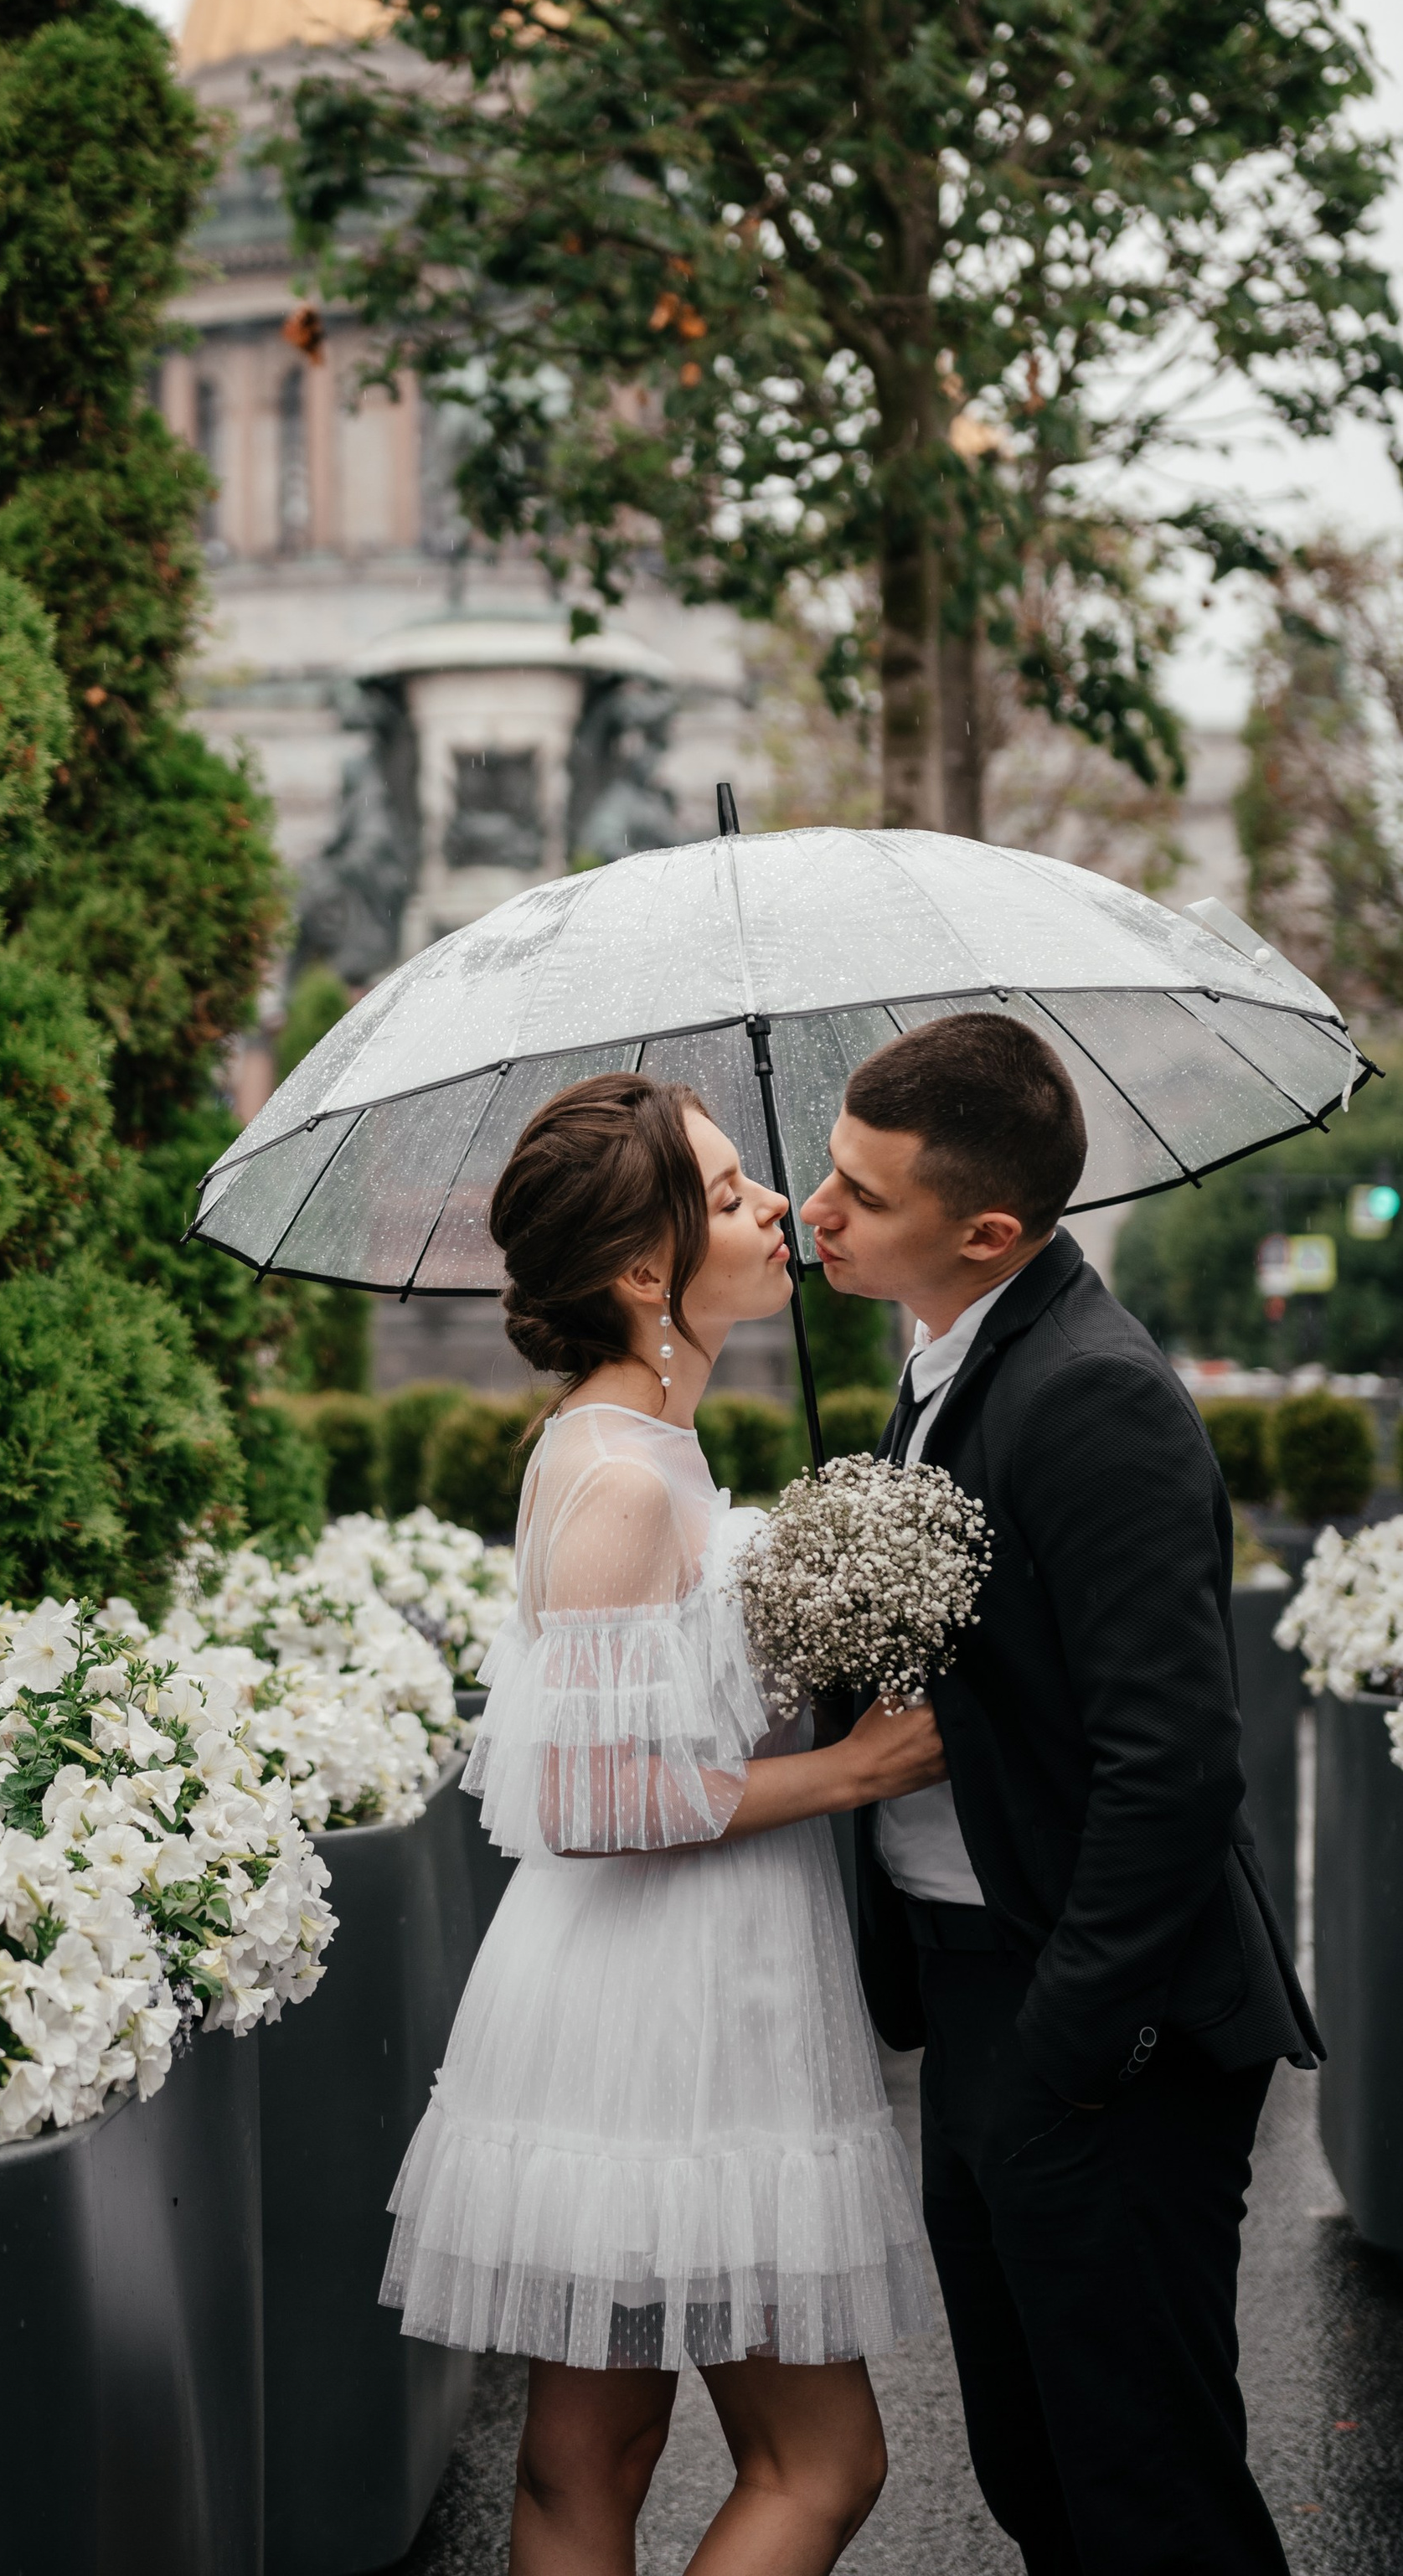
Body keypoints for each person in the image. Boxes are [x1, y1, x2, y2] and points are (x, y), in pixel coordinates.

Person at [384, 1071, 944, 2576]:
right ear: (646, 1272)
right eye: (726, 1191)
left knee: (593, 2451)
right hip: (672, 2001)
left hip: (668, 1984)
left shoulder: (639, 1446)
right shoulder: (622, 1479)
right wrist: (853, 1770)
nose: (774, 1207)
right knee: (816, 2459)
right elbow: (589, 1797)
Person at [801, 1010, 1319, 2576]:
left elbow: (1176, 1765)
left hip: (1098, 2026)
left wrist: (1065, 2050)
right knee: (1039, 2475)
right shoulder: (939, 1367)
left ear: (989, 1231)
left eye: (860, 1197)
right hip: (973, 2000)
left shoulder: (1094, 1395)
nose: (815, 1211)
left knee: (1147, 2496)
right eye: (828, 1172)